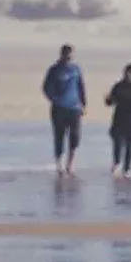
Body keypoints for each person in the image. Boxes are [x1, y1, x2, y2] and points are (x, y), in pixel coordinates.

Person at [41, 43, 87, 172]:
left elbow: (81, 87)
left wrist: (83, 104)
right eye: (67, 55)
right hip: (59, 108)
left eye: (71, 55)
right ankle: (59, 163)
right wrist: (54, 99)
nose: (69, 57)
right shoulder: (54, 70)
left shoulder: (76, 69)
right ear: (62, 55)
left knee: (75, 136)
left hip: (75, 108)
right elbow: (46, 88)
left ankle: (70, 163)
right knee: (59, 136)